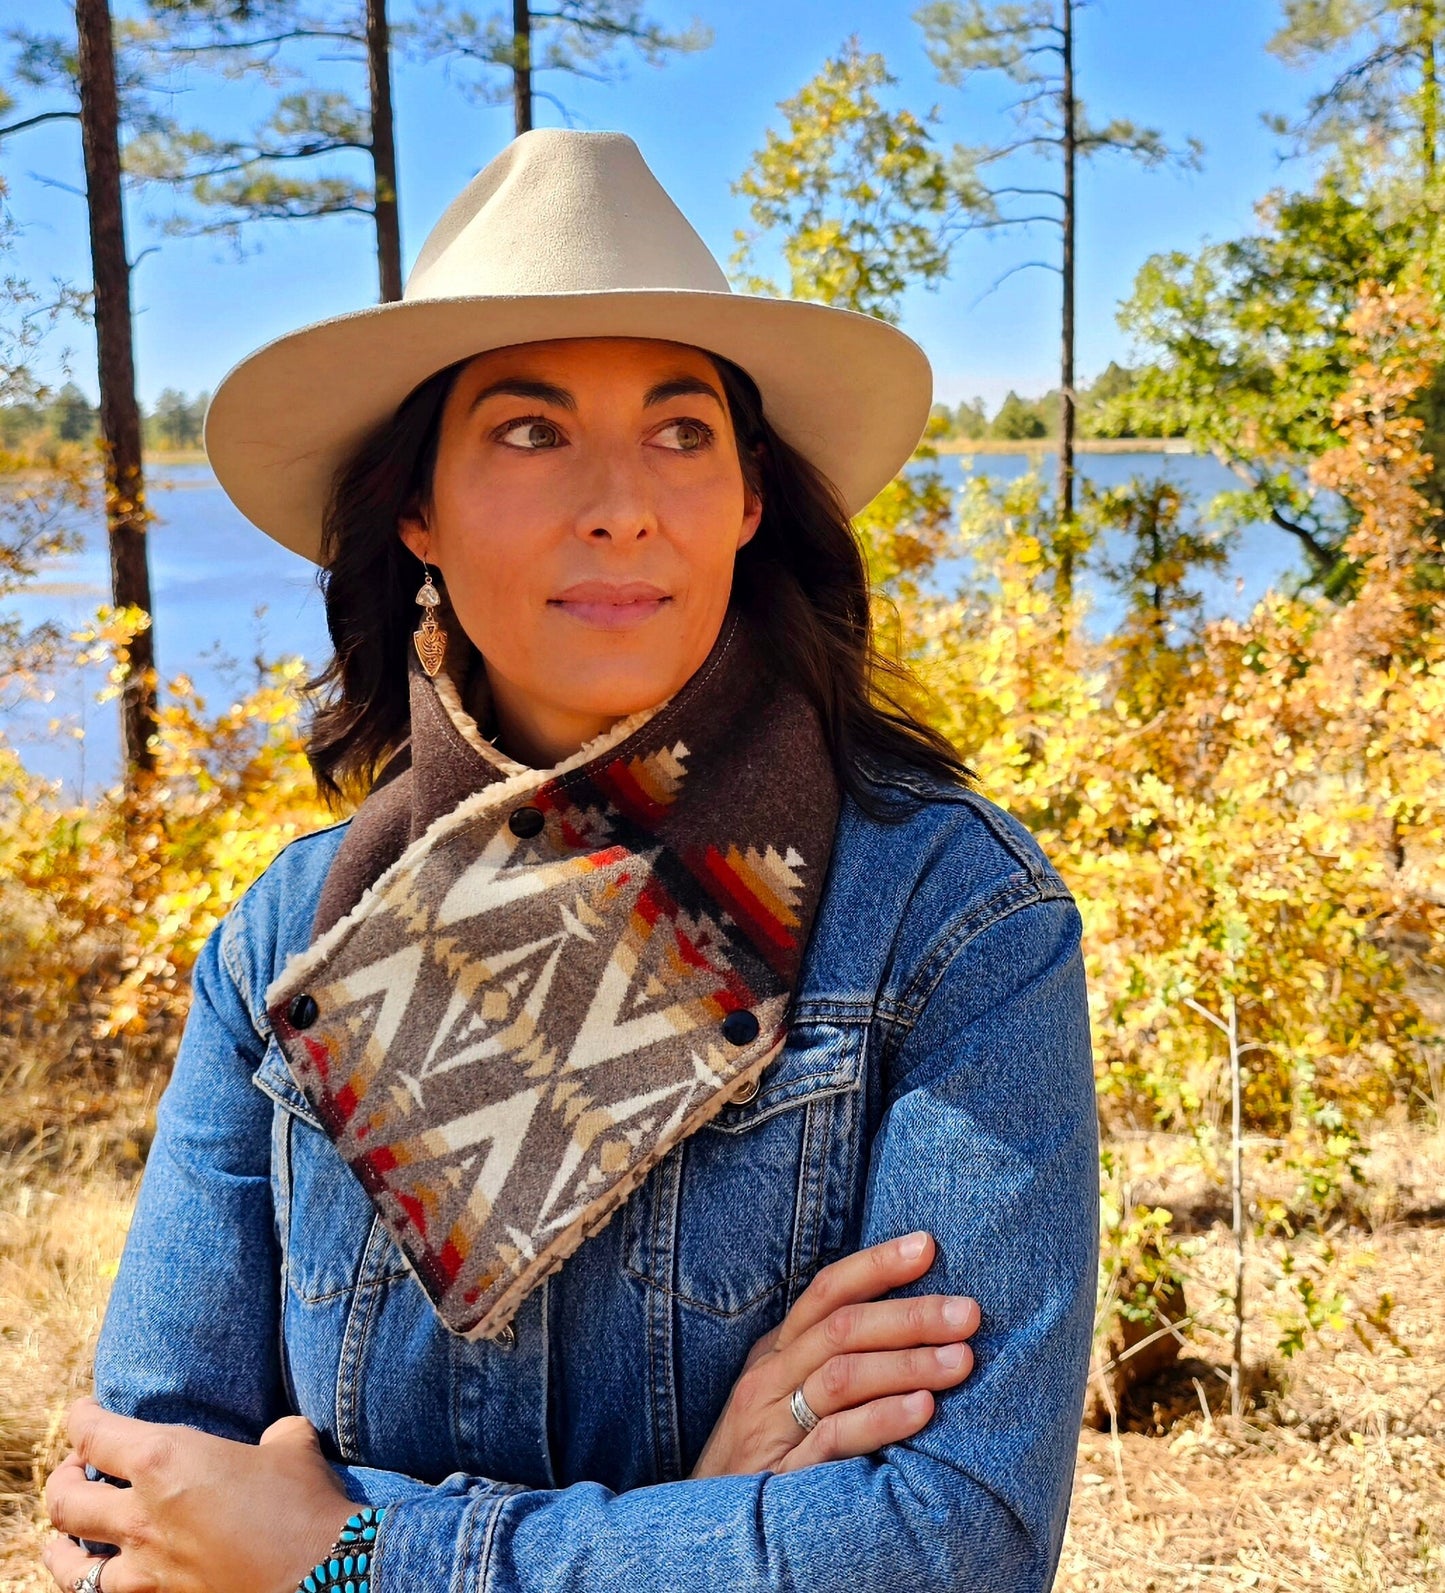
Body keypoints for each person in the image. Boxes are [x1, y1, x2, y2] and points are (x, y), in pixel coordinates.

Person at [41, 128, 1098, 1593]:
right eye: (531, 432)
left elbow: (949, 1545)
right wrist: (709, 1515)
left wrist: (346, 1556)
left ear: (745, 498)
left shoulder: (947, 915)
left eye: (681, 431)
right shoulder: (286, 937)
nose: (621, 499)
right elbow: (133, 1520)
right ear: (415, 508)